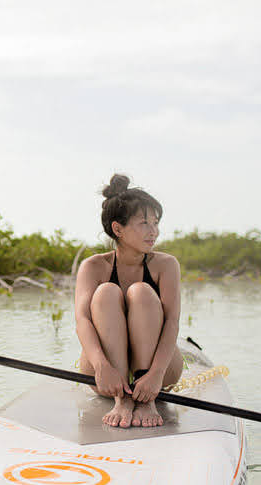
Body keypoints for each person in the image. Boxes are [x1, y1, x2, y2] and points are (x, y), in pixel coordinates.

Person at [75, 174, 183, 428]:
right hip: (106, 375)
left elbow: (172, 323)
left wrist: (156, 374)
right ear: (117, 229)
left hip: (160, 370)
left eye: (155, 222)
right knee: (106, 293)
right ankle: (122, 398)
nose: (153, 231)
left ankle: (146, 401)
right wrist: (102, 366)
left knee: (142, 292)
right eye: (144, 223)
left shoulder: (166, 265)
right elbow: (82, 321)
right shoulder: (93, 266)